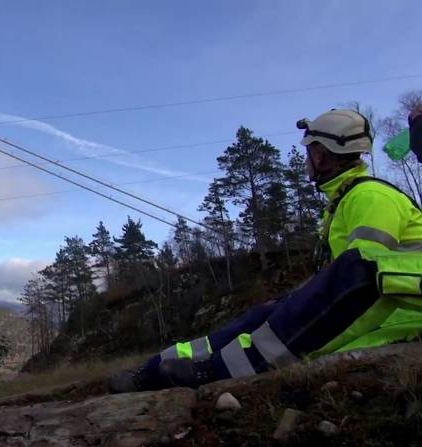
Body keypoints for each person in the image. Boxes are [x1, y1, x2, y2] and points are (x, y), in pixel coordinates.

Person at [110, 109, 422, 392]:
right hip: (384, 306)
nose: (305, 161)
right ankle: (151, 370)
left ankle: (218, 370)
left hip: (403, 316)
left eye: (309, 151)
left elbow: (360, 291)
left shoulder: (371, 197)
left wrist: (308, 341)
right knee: (264, 313)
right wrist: (290, 305)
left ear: (323, 155)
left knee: (320, 290)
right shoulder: (346, 199)